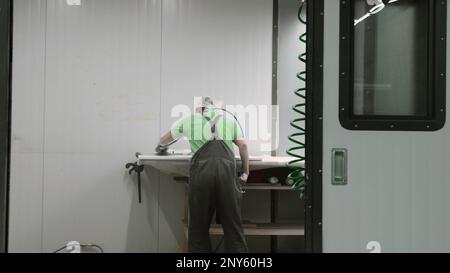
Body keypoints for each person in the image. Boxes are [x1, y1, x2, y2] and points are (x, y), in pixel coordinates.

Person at [155, 97, 250, 253]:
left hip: (201, 174)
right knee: (233, 226)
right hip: (226, 174)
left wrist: (159, 147)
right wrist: (246, 171)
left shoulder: (190, 120)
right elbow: (244, 145)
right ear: (215, 109)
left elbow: (164, 140)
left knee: (198, 226)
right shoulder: (229, 120)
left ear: (199, 108)